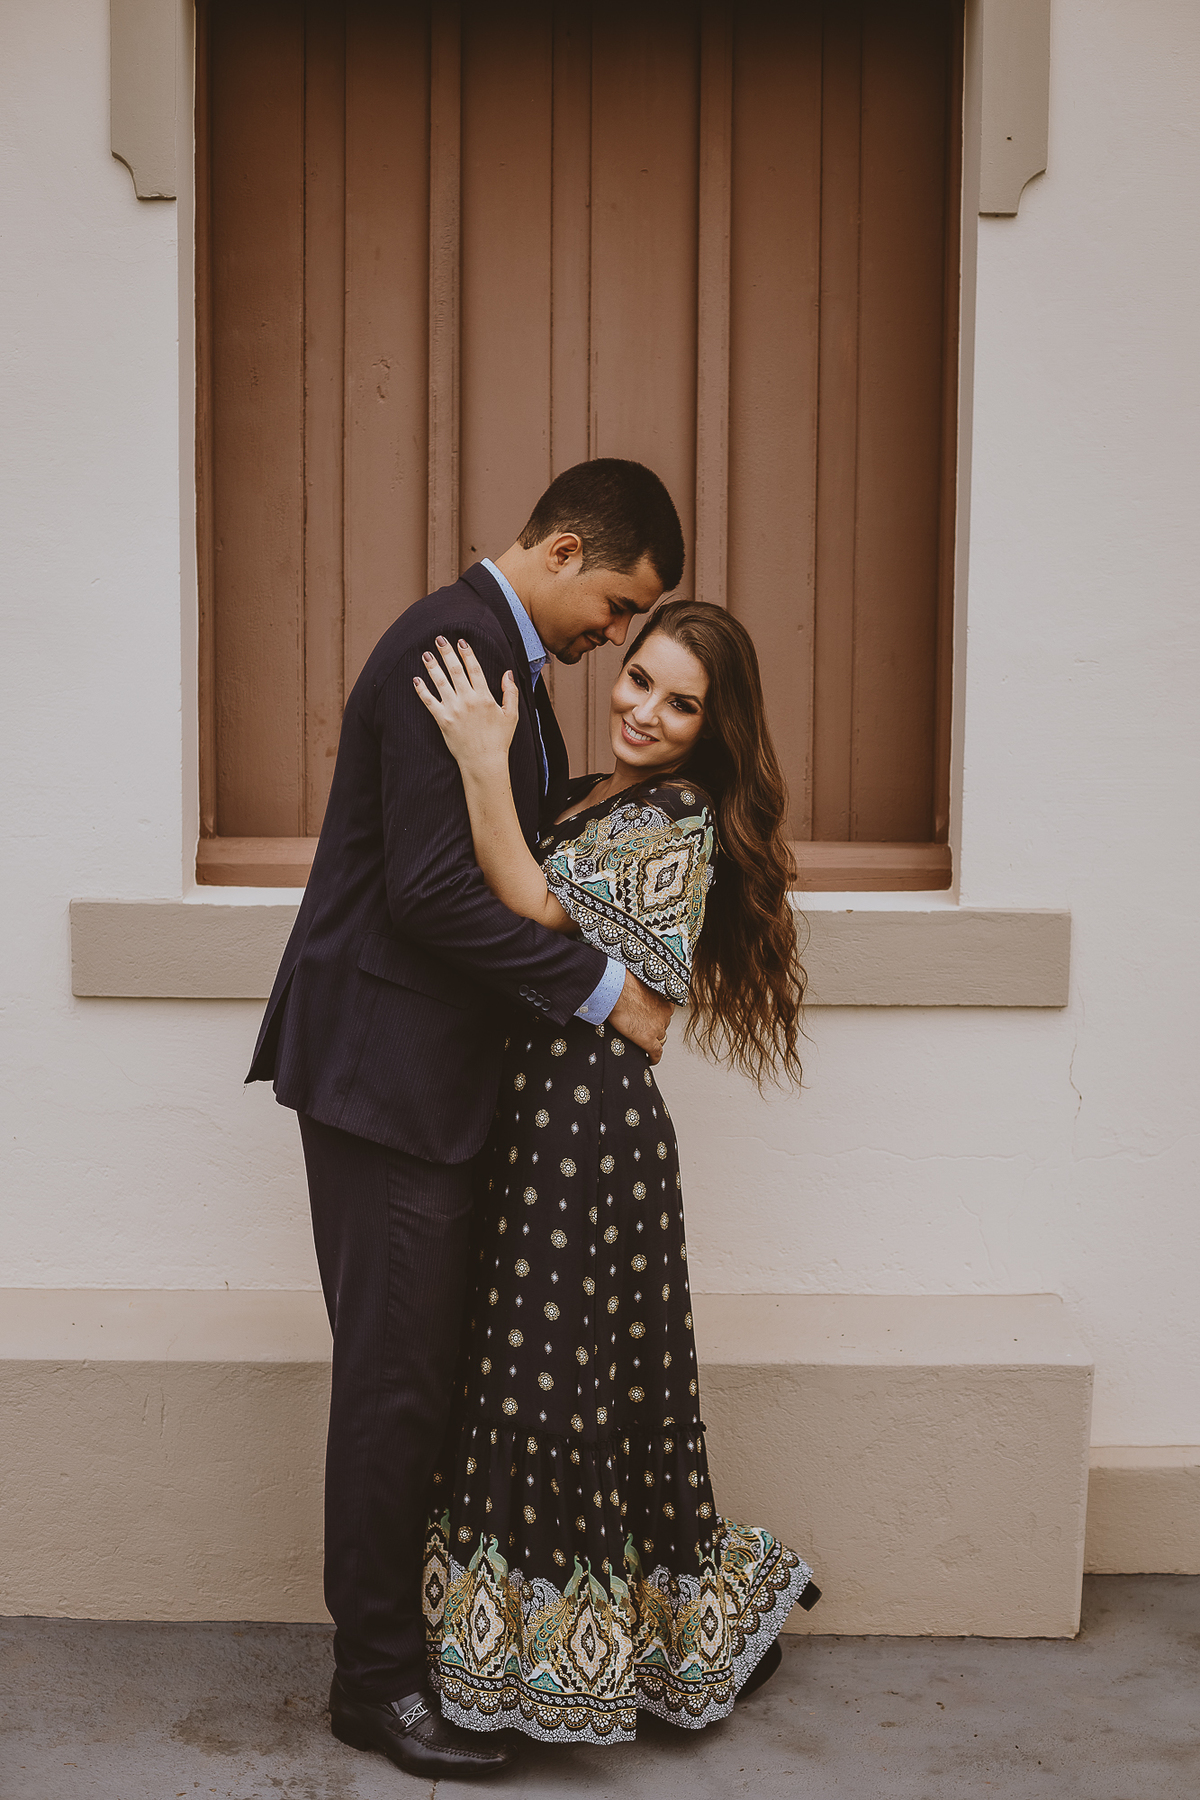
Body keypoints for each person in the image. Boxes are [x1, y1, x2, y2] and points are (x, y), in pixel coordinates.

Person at [247, 460, 687, 1780]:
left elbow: (514, 865)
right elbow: (435, 895)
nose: (618, 634)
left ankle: (413, 1655)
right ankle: (375, 1685)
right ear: (564, 551)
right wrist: (607, 990)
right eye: (618, 605)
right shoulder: (454, 648)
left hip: (425, 1085)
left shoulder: (507, 664)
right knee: (394, 1391)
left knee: (419, 1381)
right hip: (387, 1086)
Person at [411, 600, 820, 1747]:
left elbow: (533, 906)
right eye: (640, 679)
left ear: (711, 726)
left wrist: (482, 756)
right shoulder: (592, 793)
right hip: (536, 1119)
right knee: (557, 1382)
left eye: (680, 703)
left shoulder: (676, 814)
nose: (644, 710)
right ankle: (583, 1646)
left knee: (558, 1388)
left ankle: (603, 1657)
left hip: (588, 1138)